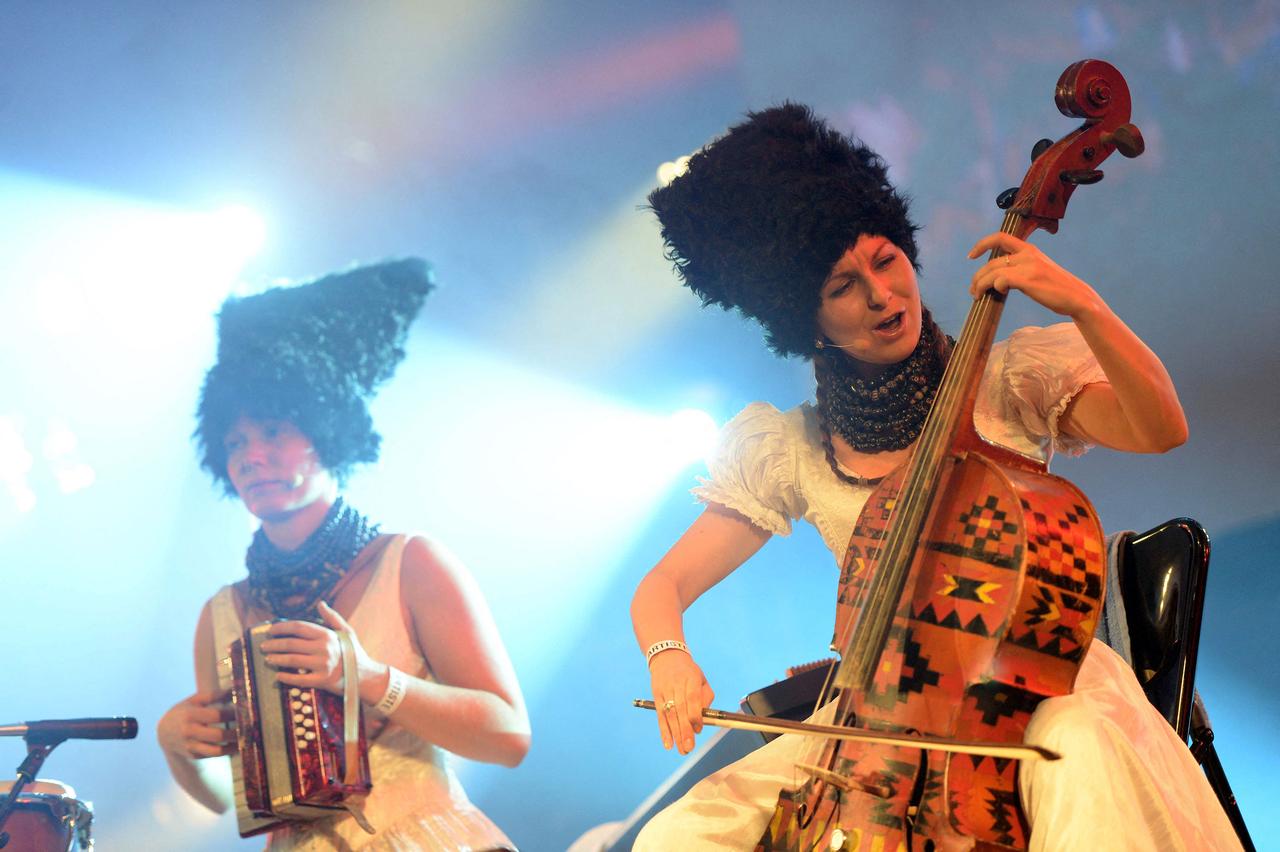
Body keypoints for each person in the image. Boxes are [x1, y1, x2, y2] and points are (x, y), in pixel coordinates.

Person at [629, 104, 1240, 850]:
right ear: (808, 319)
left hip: (1035, 691)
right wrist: (671, 661)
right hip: (874, 719)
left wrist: (1083, 304)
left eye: (886, 262)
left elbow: (1161, 429)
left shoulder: (1008, 380)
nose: (883, 296)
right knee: (681, 832)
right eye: (844, 286)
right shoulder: (790, 447)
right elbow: (660, 589)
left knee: (1076, 755)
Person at [156, 259, 530, 851]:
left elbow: (508, 736)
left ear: (328, 431)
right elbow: (233, 800)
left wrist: (371, 678)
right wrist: (177, 748)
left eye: (274, 431)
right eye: (235, 442)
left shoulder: (412, 564)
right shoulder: (221, 614)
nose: (252, 455)